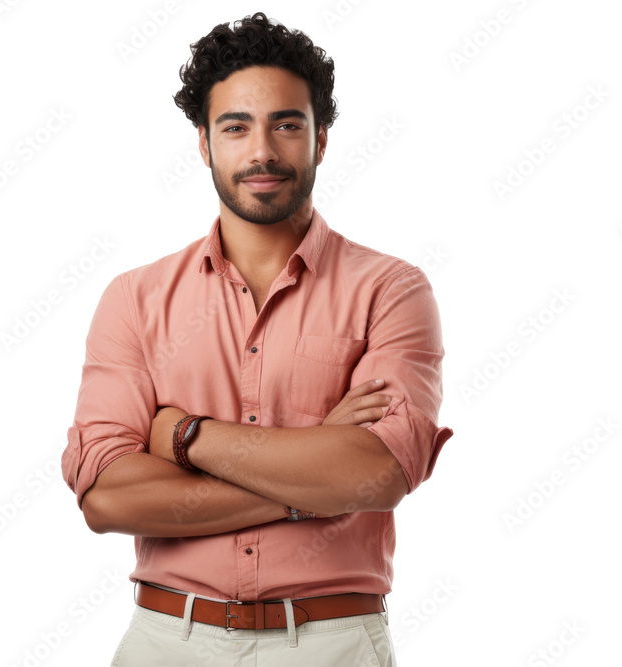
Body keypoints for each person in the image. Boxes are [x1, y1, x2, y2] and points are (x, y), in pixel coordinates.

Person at [60, 11, 453, 666]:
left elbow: (377, 473)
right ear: (204, 142)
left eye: (287, 124)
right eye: (236, 126)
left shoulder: (392, 290)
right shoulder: (135, 298)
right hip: (168, 640)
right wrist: (312, 476)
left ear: (321, 139)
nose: (262, 150)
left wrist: (184, 437)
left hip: (331, 644)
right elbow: (107, 498)